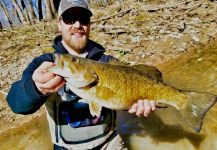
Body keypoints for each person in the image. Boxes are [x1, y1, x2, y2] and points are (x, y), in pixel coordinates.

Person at [6, 0, 156, 149]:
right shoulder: (46, 63)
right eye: (70, 19)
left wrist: (136, 104)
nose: (78, 25)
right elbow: (17, 104)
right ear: (59, 24)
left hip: (110, 143)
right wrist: (36, 88)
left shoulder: (107, 62)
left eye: (83, 19)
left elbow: (121, 96)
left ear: (89, 25)